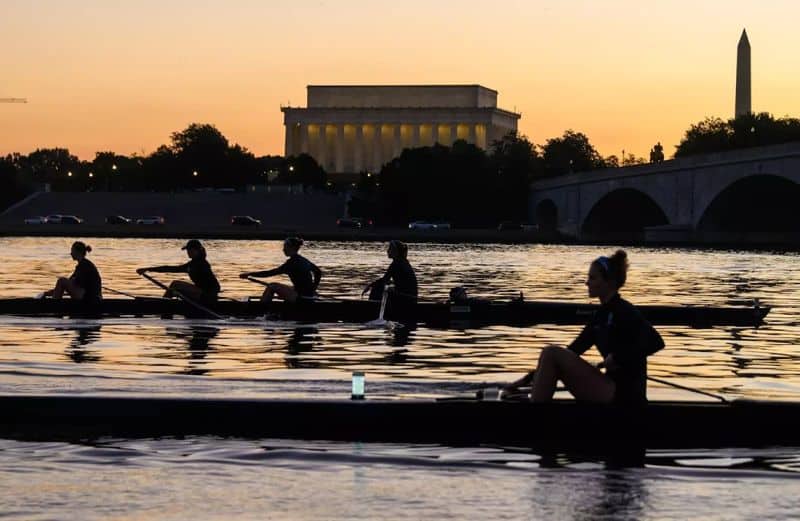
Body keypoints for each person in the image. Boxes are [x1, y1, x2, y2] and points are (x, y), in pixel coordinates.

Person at [505, 250, 664, 404]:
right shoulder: (599, 317)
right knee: (551, 355)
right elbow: (572, 351)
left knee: (551, 352)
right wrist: (526, 379)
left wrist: (618, 357)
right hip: (609, 387)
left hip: (626, 395)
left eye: (592, 278)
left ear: (609, 282)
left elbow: (656, 342)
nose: (587, 282)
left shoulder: (624, 310)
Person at [240, 237, 321, 303]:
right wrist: (313, 288)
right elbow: (318, 272)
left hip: (301, 298)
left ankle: (261, 311)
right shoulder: (304, 260)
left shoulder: (291, 263)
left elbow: (270, 273)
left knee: (272, 286)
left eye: (285, 247)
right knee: (290, 287)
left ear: (291, 247)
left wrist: (249, 274)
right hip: (309, 295)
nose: (283, 249)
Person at [137, 239, 220, 303]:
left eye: (191, 250)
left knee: (175, 284)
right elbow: (171, 269)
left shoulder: (202, 263)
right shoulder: (192, 264)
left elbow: (216, 286)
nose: (188, 252)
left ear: (198, 250)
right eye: (188, 250)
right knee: (175, 287)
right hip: (201, 293)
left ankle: (164, 305)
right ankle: (166, 303)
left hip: (206, 295)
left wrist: (210, 296)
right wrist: (148, 269)